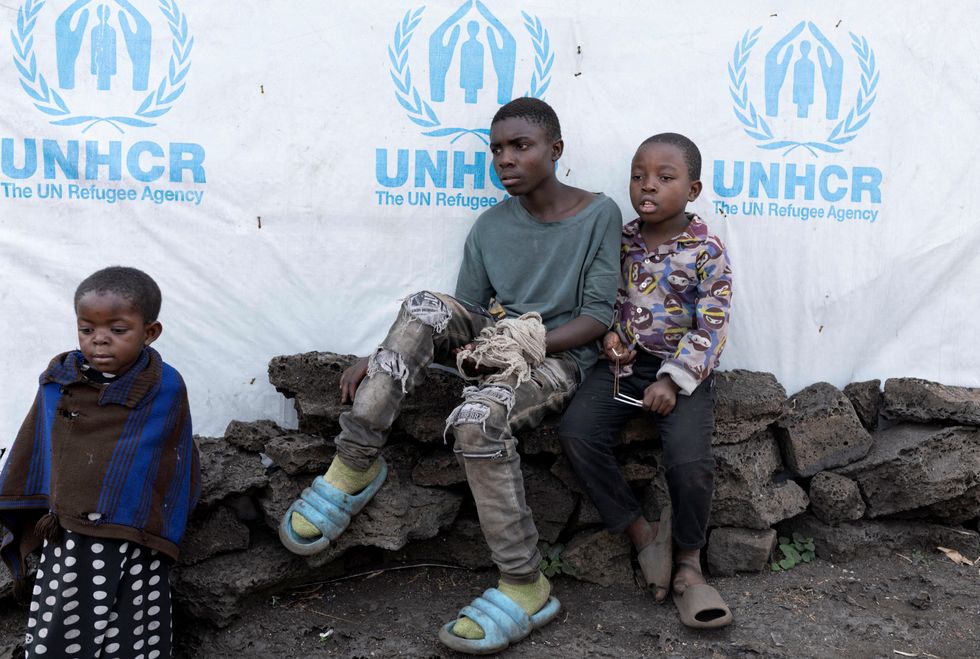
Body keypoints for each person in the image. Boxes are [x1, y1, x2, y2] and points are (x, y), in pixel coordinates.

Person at [278, 97, 622, 654]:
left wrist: (525, 343)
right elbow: (464, 311)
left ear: (555, 151)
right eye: (496, 149)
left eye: (520, 146)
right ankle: (355, 464)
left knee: (476, 420)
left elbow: (597, 315)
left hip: (556, 361)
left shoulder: (599, 213)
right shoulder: (489, 226)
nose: (505, 159)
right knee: (424, 305)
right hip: (492, 342)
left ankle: (524, 583)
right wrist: (391, 348)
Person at [558, 133, 734, 629]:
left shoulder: (706, 249)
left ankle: (689, 564)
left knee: (689, 462)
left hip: (681, 371)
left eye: (664, 177)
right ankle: (641, 534)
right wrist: (611, 338)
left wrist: (674, 383)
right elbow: (606, 299)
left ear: (693, 189)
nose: (646, 186)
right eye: (638, 176)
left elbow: (713, 324)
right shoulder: (623, 240)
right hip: (625, 366)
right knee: (576, 433)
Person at [0, 266, 201, 658]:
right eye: (87, 329)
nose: (99, 341)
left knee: (132, 619)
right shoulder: (60, 381)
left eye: (117, 330)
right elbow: (41, 447)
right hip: (71, 535)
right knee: (65, 617)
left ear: (150, 332)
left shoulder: (166, 387)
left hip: (135, 532)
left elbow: (168, 461)